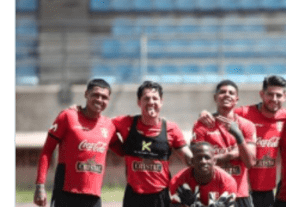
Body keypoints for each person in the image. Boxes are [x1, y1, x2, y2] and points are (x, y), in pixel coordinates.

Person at [199, 75, 286, 207]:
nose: (274, 99)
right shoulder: (244, 113)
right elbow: (222, 113)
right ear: (262, 94)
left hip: (267, 190)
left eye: (278, 95)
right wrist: (204, 114)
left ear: (285, 96)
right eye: (270, 95)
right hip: (243, 188)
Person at [34, 79, 120, 207]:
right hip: (66, 194)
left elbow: (125, 150)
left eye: (104, 97)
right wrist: (40, 186)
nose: (99, 100)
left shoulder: (109, 126)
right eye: (95, 95)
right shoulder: (67, 116)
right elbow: (47, 150)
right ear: (86, 94)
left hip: (94, 197)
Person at [112, 80, 192, 207]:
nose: (151, 102)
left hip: (160, 197)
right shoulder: (125, 123)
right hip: (133, 195)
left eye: (155, 98)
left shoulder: (171, 128)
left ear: (161, 101)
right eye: (146, 98)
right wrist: (78, 111)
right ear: (139, 102)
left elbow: (189, 159)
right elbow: (101, 125)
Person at [192, 80, 257, 207]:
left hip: (240, 195)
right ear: (215, 97)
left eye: (231, 93)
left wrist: (238, 136)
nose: (227, 95)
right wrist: (232, 154)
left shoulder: (247, 125)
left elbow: (250, 162)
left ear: (236, 99)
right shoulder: (202, 125)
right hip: (212, 195)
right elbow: (196, 162)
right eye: (222, 92)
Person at [170, 142, 237, 207]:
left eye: (207, 157)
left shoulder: (227, 181)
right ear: (192, 161)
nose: (203, 161)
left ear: (214, 161)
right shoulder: (178, 181)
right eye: (199, 158)